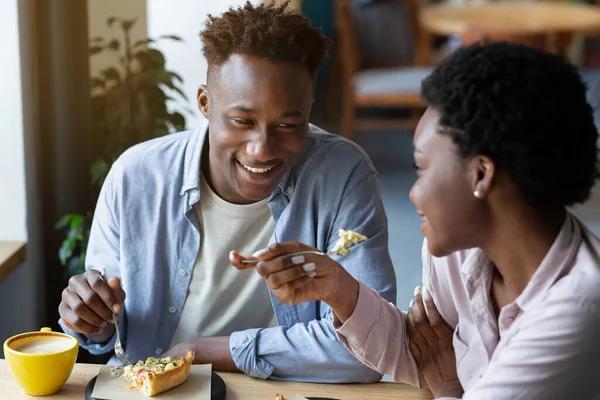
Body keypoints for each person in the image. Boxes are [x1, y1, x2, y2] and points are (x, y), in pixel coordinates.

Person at [57, 1, 396, 383]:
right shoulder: (135, 177)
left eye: (288, 125)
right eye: (242, 121)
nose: (261, 148)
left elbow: (372, 346)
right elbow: (106, 339)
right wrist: (91, 318)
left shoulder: (343, 174)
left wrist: (204, 352)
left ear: (309, 110)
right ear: (204, 102)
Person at [244, 42, 600, 398]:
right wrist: (337, 288)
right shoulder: (456, 250)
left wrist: (446, 388)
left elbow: (441, 374)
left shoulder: (578, 309)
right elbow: (422, 351)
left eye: (422, 167)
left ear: (481, 175)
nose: (413, 194)